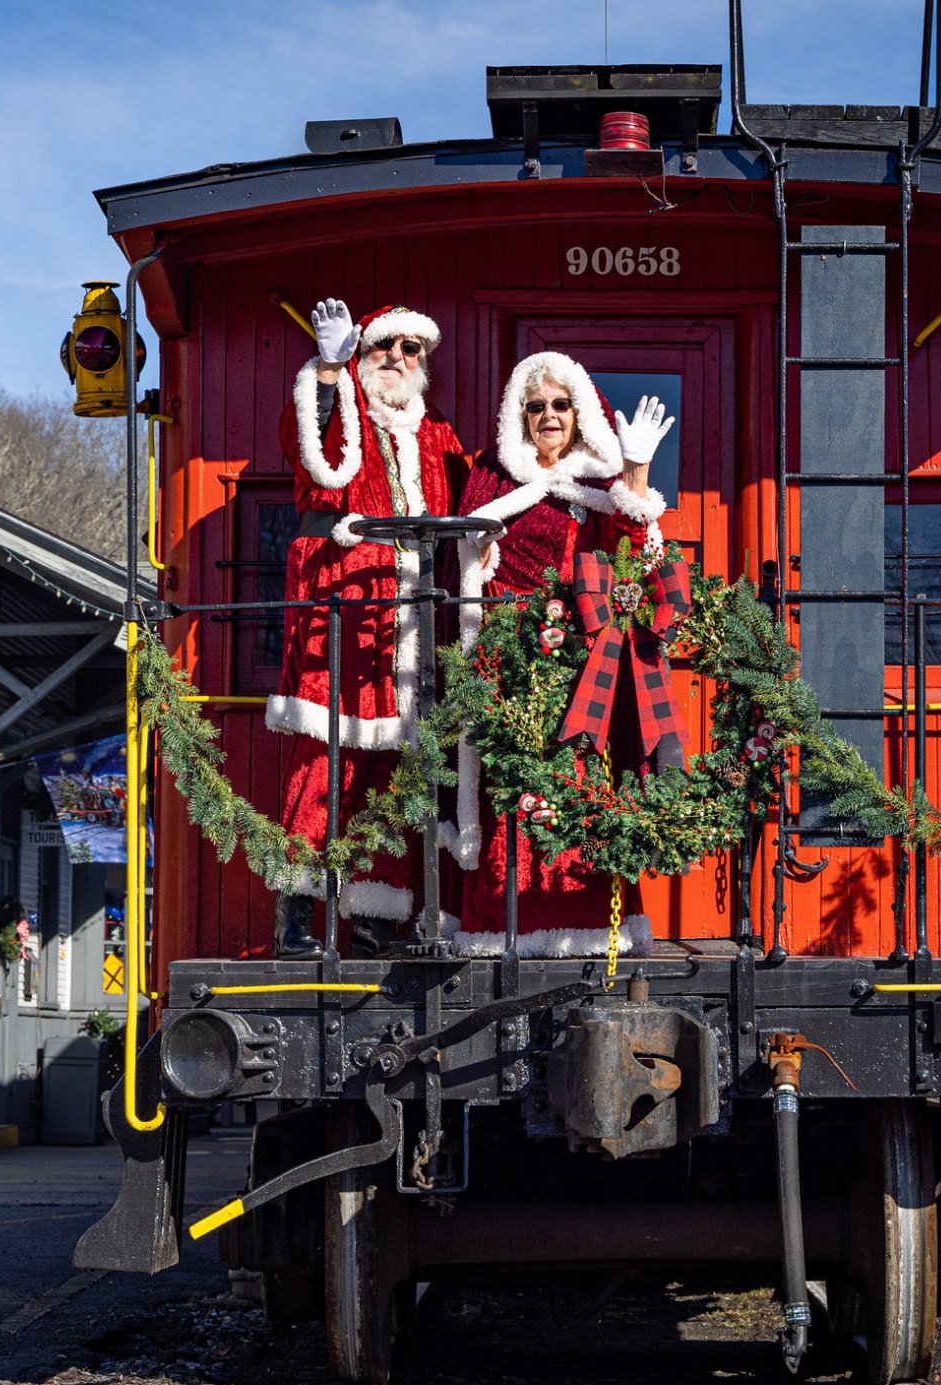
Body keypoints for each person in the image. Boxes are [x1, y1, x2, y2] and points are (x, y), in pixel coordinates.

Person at [445, 351, 675, 956]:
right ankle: (502, 927)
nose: (549, 416)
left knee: (577, 780)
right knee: (509, 785)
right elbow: (466, 561)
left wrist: (637, 470)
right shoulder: (491, 481)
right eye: (537, 407)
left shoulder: (600, 483)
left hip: (579, 661)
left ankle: (587, 924)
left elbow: (632, 553)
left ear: (579, 412)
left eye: (560, 405)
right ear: (519, 417)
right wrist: (482, 556)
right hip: (506, 659)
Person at [269, 299, 466, 956]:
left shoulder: (437, 432)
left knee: (402, 773)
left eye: (412, 348)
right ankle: (299, 915)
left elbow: (475, 496)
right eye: (386, 344)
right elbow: (305, 451)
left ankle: (377, 915)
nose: (398, 358)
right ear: (364, 350)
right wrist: (327, 369)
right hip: (346, 611)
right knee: (326, 764)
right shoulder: (341, 411)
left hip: (417, 616)